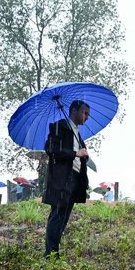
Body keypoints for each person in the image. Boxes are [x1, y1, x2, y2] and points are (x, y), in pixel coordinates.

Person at [42, 99, 91, 259]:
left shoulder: (77, 133)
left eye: (88, 114)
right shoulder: (59, 127)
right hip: (61, 179)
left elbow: (79, 157)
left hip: (75, 180)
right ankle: (50, 255)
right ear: (74, 110)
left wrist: (84, 156)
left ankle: (54, 253)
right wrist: (75, 153)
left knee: (63, 218)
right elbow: (51, 149)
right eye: (85, 113)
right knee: (57, 216)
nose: (87, 117)